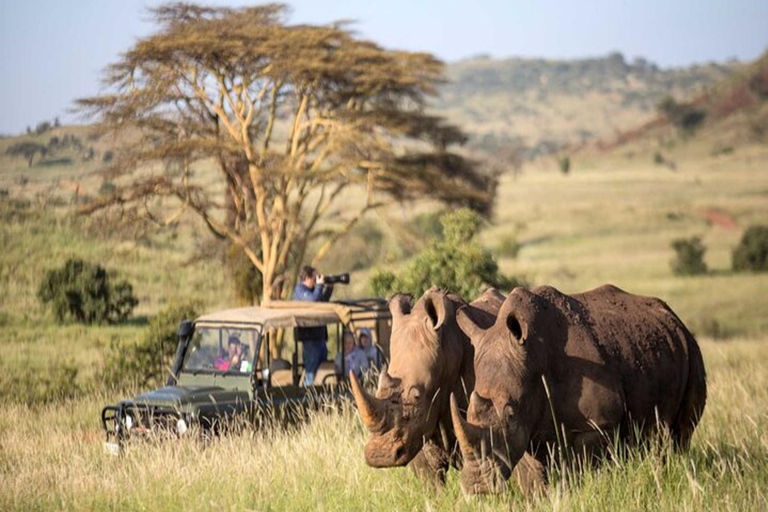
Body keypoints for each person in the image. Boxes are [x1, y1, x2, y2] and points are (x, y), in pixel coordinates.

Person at [293, 265, 334, 385]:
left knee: (322, 369)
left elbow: (322, 302)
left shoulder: (313, 291)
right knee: (311, 371)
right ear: (307, 278)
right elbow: (312, 301)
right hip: (309, 339)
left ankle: (320, 394)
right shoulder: (300, 290)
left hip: (319, 336)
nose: (317, 280)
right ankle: (308, 396)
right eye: (315, 278)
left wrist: (329, 288)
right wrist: (320, 285)